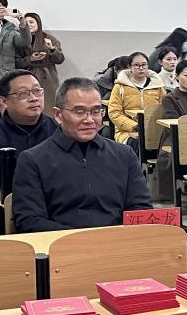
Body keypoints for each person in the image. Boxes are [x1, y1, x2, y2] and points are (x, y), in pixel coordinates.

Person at [11, 77, 151, 232]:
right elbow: (30, 220)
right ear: (58, 115)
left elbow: (140, 209)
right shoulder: (33, 160)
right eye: (79, 112)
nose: (89, 120)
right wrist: (81, 239)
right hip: (60, 243)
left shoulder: (124, 155)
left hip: (117, 241)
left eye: (96, 111)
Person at [0, 70, 59, 194]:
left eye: (37, 91)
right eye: (23, 93)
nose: (33, 98)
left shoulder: (58, 129)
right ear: (3, 101)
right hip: (10, 204)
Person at [157, 59, 187, 192]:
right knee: (171, 156)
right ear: (177, 76)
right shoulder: (169, 98)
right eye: (186, 75)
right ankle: (170, 193)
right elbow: (172, 121)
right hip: (174, 138)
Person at [107, 52, 166, 145]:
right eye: (136, 65)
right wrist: (135, 126)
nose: (141, 68)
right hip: (127, 132)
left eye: (144, 65)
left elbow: (164, 110)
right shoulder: (120, 87)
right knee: (137, 144)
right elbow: (114, 113)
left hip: (153, 132)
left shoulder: (158, 87)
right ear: (129, 67)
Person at [18, 12, 65, 113]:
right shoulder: (20, 40)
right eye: (26, 23)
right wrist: (30, 59)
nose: (29, 25)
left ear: (38, 23)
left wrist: (52, 49)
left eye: (31, 22)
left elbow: (60, 59)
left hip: (47, 77)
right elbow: (17, 62)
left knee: (48, 106)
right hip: (28, 76)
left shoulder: (49, 39)